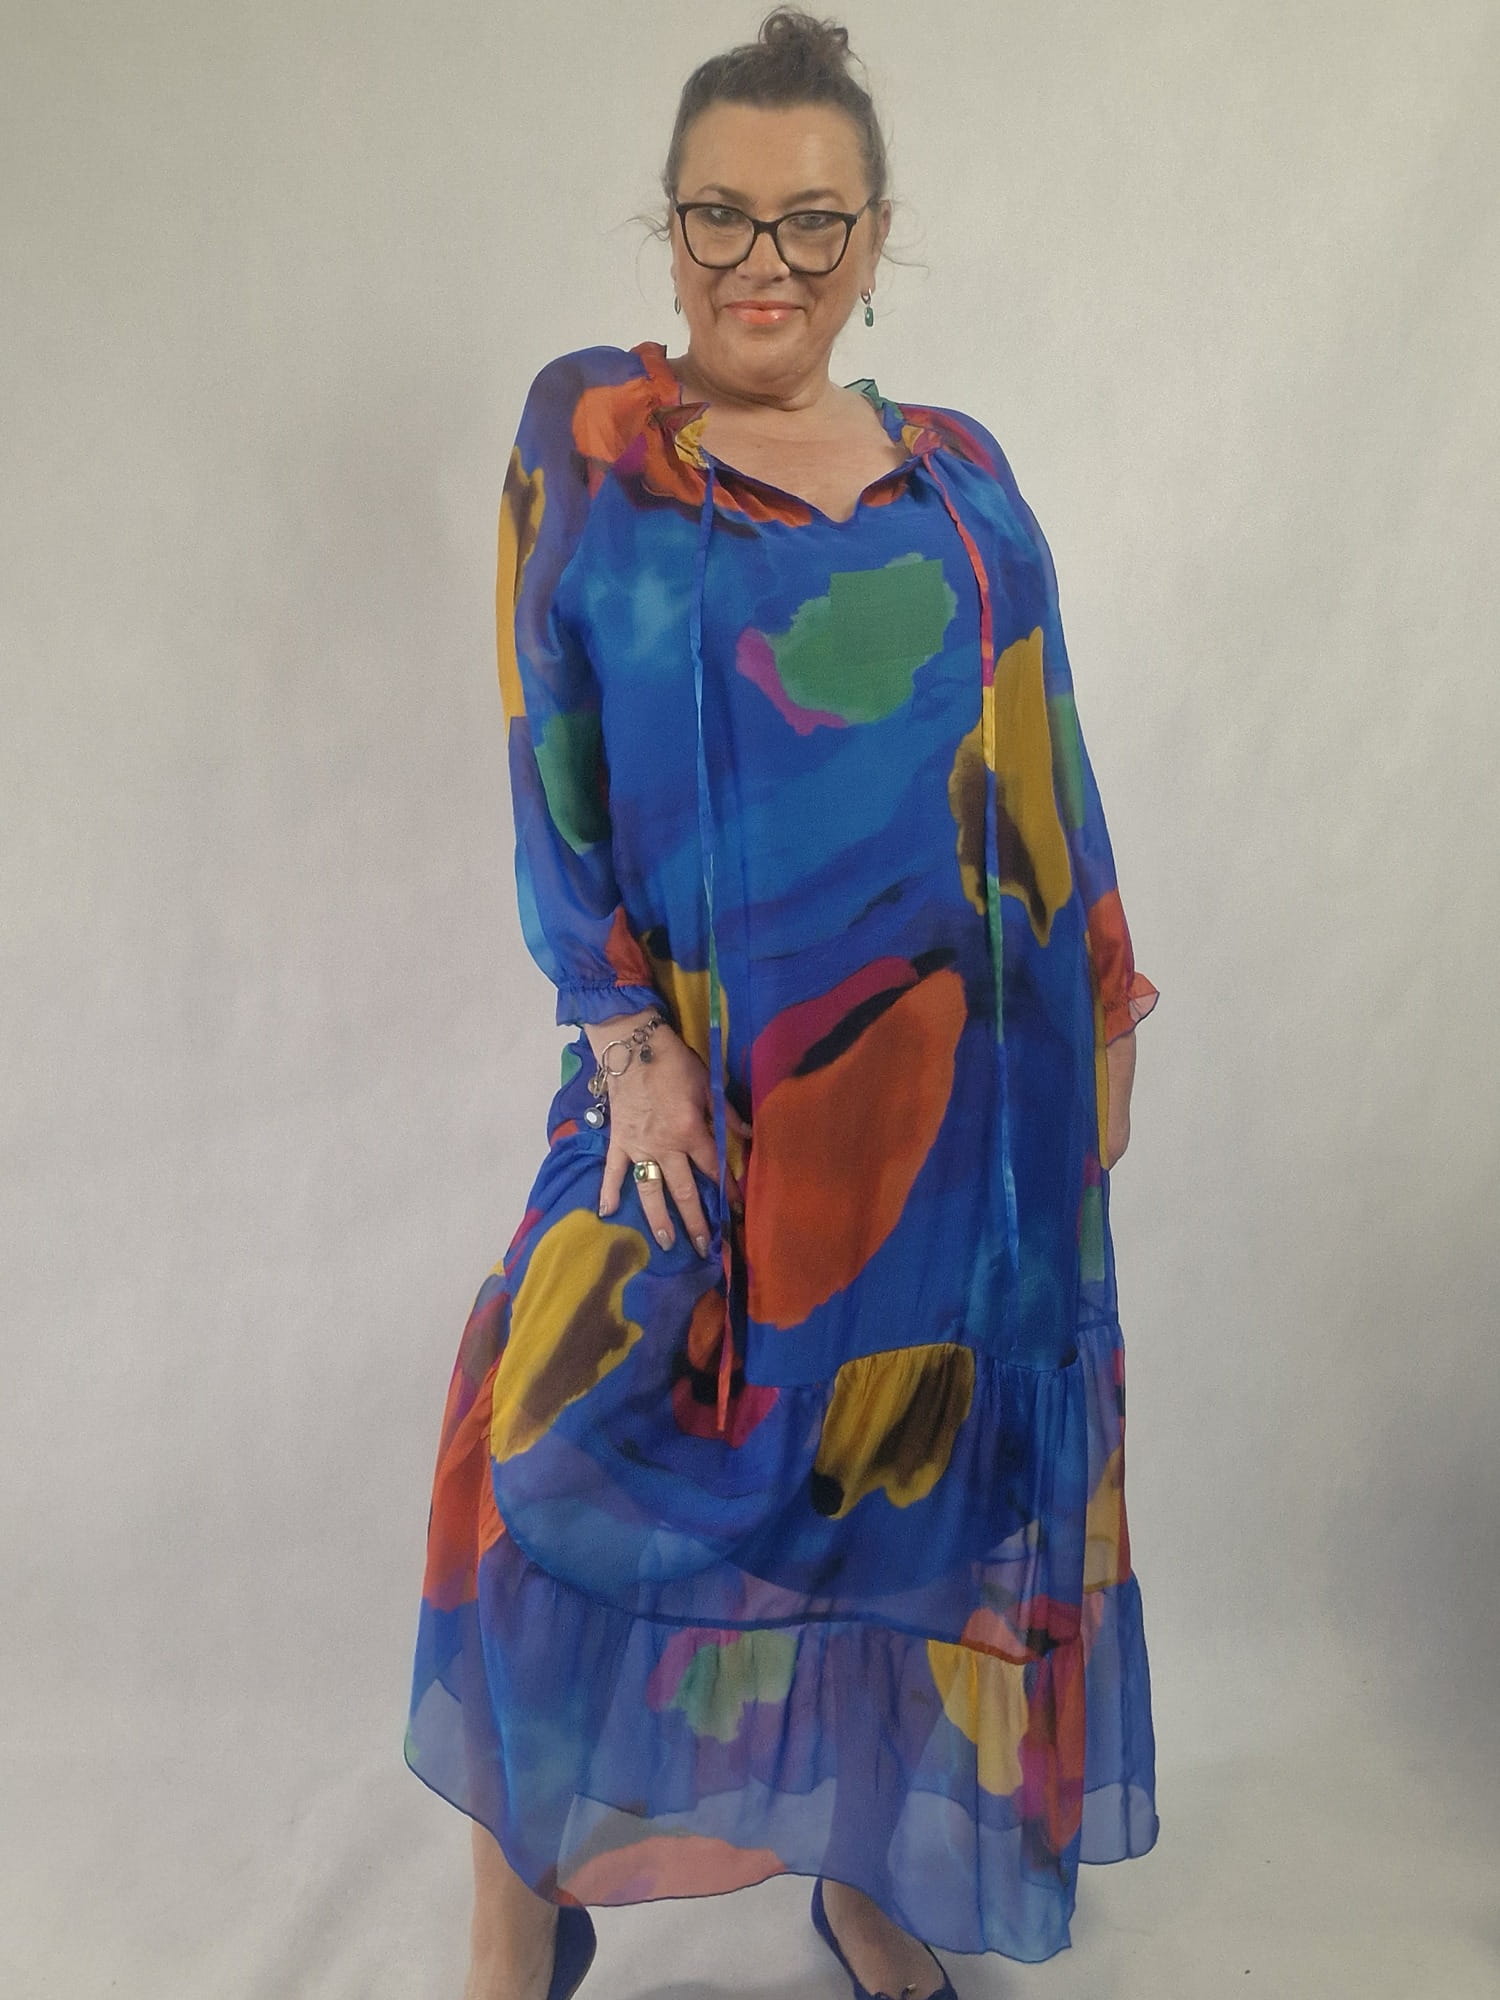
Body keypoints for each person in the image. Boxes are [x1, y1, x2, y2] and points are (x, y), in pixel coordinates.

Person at [404, 10, 1162, 1998]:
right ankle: (517, 1911)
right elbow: (545, 746)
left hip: (968, 1111)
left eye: (813, 220)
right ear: (665, 227)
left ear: (876, 237)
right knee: (541, 1452)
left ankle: (868, 1875)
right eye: (721, 215)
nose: (766, 261)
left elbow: (1048, 758)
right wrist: (621, 1035)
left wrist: (1110, 1003)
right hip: (704, 1093)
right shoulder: (593, 442)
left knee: (914, 1504)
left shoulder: (964, 475)